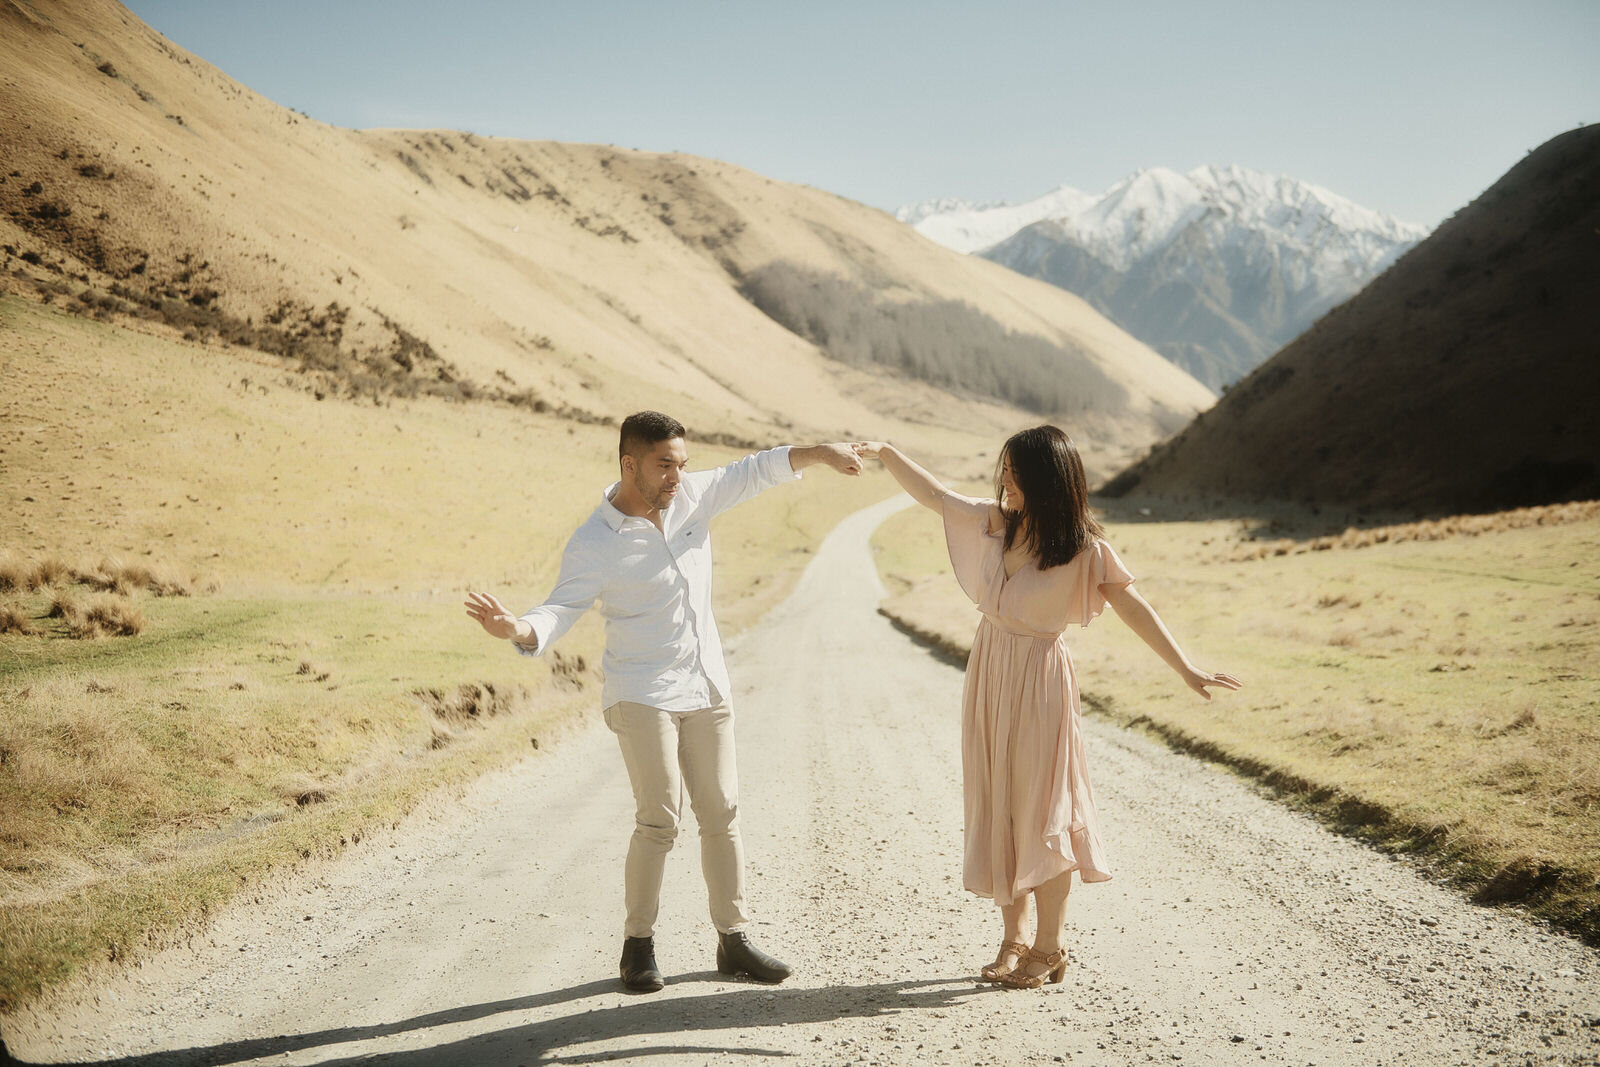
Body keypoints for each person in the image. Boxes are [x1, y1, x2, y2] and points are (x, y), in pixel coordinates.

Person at [465, 411, 863, 993]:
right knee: (660, 818)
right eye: (664, 464)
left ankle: (734, 940)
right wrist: (519, 629)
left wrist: (821, 451)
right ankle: (638, 947)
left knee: (722, 810)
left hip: (705, 684)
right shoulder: (595, 541)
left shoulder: (694, 496)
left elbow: (757, 470)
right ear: (630, 465)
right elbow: (561, 608)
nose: (678, 475)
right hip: (641, 690)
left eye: (682, 462)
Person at [854, 427, 1240, 989]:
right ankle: (1013, 939)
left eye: (1015, 471)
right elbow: (935, 496)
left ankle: (1050, 946)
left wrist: (1186, 669)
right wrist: (887, 453)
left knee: (1043, 813)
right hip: (988, 671)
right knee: (1000, 806)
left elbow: (1134, 608)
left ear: (1046, 478)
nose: (1005, 479)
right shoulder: (997, 523)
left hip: (1039, 680)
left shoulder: (1084, 549)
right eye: (1003, 469)